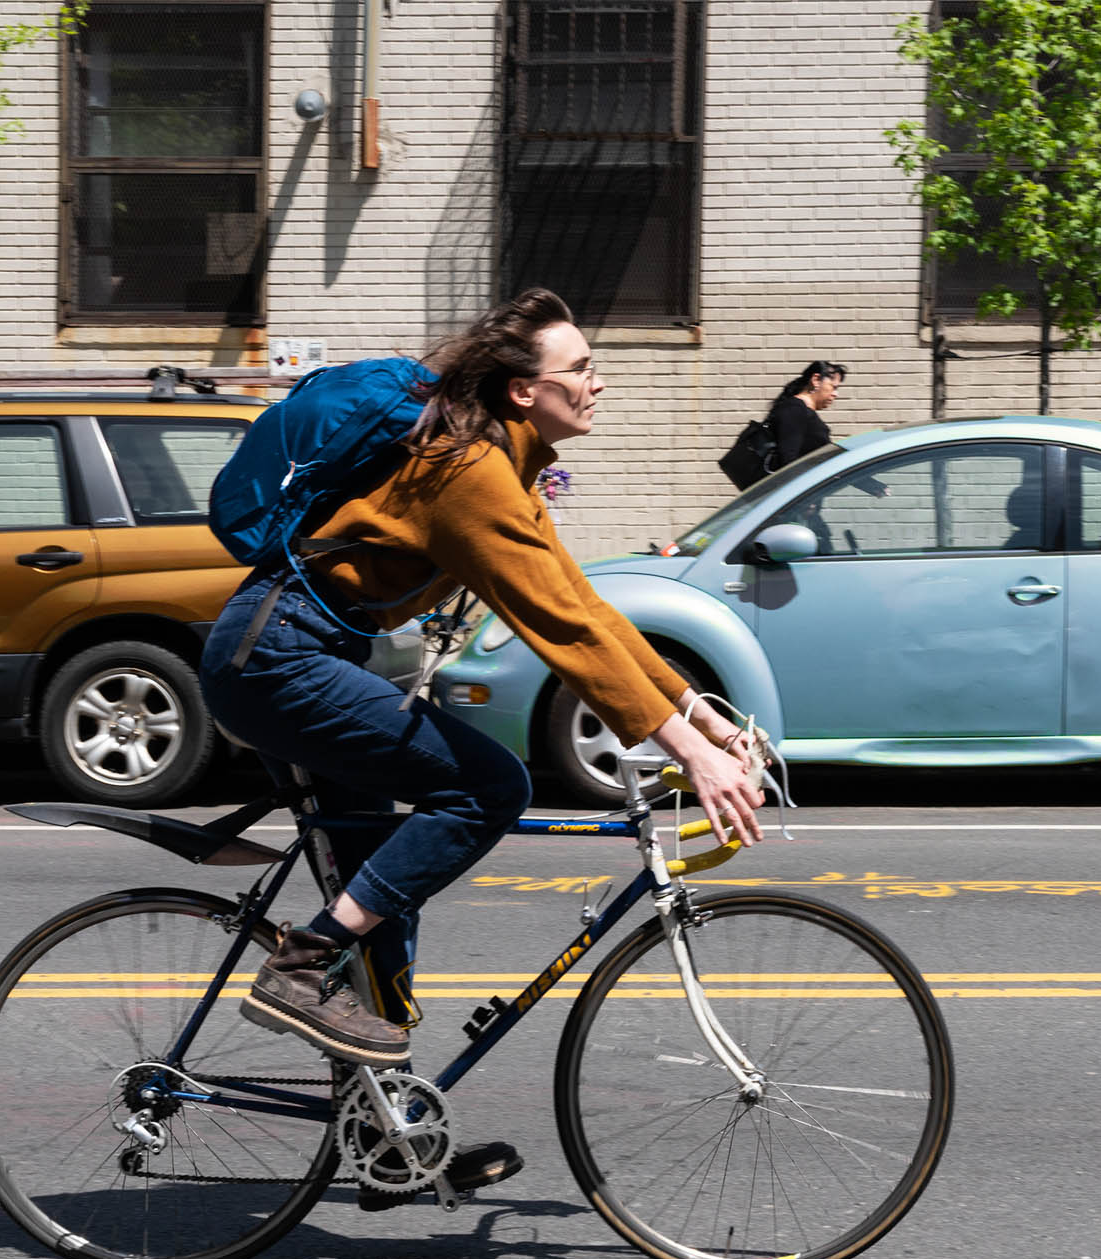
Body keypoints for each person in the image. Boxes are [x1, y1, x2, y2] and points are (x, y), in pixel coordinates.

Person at [198, 288, 767, 1203]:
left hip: (296, 653)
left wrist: (696, 714)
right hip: (276, 657)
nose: (598, 382)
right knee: (489, 786)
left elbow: (581, 605)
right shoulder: (467, 472)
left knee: (381, 900)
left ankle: (388, 1135)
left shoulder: (505, 467)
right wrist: (680, 748)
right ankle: (298, 969)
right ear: (519, 391)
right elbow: (557, 628)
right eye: (579, 369)